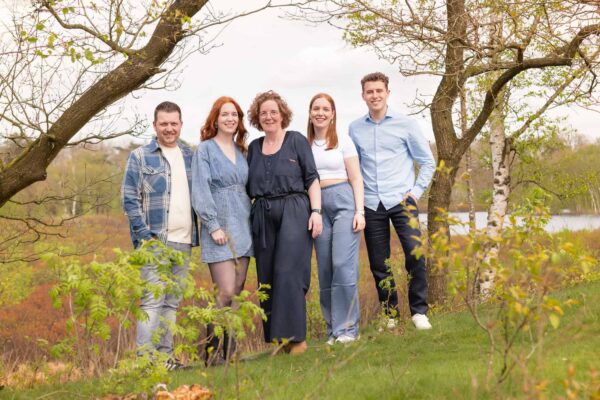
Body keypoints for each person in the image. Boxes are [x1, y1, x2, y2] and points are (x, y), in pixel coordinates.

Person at [349, 72, 436, 330]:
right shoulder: (355, 128)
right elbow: (354, 166)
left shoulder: (406, 124)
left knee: (415, 254)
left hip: (402, 200)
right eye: (369, 91)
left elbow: (427, 162)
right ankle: (390, 314)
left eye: (379, 90)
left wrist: (417, 191)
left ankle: (419, 312)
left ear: (387, 92)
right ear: (363, 95)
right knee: (379, 263)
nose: (374, 95)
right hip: (371, 203)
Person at [121, 101, 199, 370]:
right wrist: (144, 236)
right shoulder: (140, 156)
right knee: (152, 302)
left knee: (171, 305)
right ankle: (145, 363)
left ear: (180, 124)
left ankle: (165, 360)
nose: (169, 128)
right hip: (154, 241)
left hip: (184, 240)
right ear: (155, 126)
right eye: (163, 123)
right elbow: (129, 198)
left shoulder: (190, 155)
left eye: (173, 123)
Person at [246, 90, 322, 354]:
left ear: (282, 115)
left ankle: (297, 340)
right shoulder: (254, 148)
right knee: (267, 276)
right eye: (263, 113)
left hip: (294, 209)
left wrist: (316, 211)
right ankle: (279, 340)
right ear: (257, 118)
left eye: (273, 112)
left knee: (289, 273)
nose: (268, 116)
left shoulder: (296, 141)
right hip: (263, 215)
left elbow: (312, 178)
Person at [191, 96, 253, 364]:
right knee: (225, 291)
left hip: (244, 225)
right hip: (219, 227)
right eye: (225, 114)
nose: (230, 119)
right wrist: (212, 224)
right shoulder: (205, 149)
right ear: (215, 119)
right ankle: (211, 354)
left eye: (235, 115)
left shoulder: (243, 150)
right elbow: (200, 189)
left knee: (237, 292)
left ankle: (229, 354)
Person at [307, 93, 365, 344]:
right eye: (316, 108)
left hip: (343, 203)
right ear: (310, 113)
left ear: (332, 114)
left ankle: (348, 329)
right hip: (317, 207)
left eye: (325, 109)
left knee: (343, 264)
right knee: (326, 269)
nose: (320, 112)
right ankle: (333, 329)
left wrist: (359, 211)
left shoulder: (344, 141)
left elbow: (356, 178)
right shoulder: (303, 144)